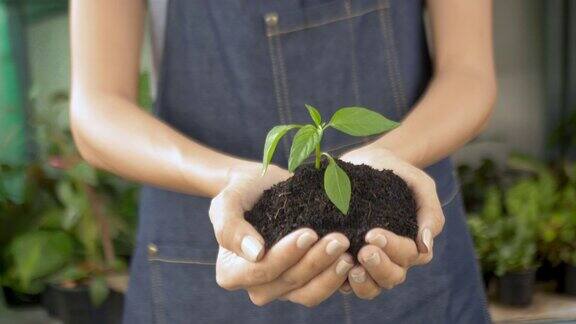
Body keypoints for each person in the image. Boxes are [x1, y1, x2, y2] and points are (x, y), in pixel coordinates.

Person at [70, 0, 496, 323]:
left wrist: (382, 165)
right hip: (206, 254)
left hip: (403, 250)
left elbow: (469, 72)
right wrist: (232, 178)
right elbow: (96, 109)